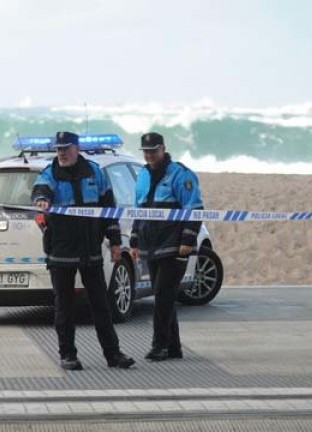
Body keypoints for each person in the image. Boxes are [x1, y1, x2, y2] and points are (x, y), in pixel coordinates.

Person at [32, 131, 135, 370]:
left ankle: (113, 354)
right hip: (61, 251)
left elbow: (109, 209)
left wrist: (116, 242)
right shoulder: (50, 173)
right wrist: (41, 201)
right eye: (58, 149)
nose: (62, 153)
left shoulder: (95, 172)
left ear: (77, 149)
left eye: (66, 148)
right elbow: (40, 190)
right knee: (64, 307)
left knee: (101, 305)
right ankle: (67, 354)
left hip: (91, 251)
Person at [130, 132, 203, 361]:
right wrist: (134, 240)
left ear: (163, 149)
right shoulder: (142, 175)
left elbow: (195, 209)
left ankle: (159, 345)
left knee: (162, 296)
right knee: (165, 297)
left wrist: (187, 241)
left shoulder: (181, 175)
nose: (150, 155)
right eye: (146, 151)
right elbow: (138, 210)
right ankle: (174, 347)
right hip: (150, 246)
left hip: (173, 246)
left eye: (153, 151)